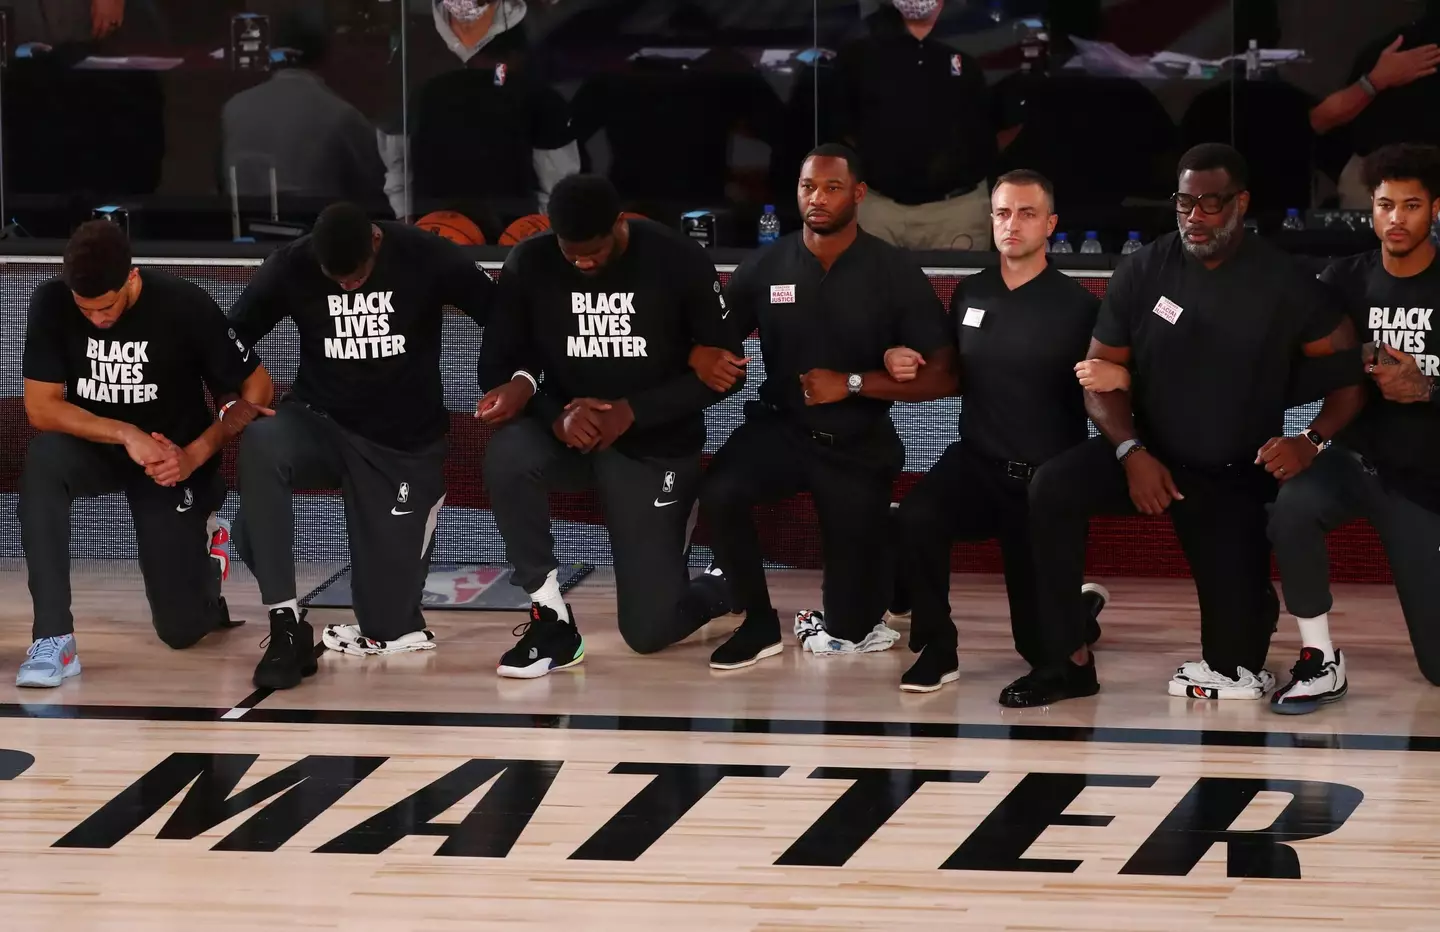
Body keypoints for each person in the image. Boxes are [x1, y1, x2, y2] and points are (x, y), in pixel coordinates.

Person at [1011, 143, 1366, 709]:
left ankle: (1250, 608)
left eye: (1210, 204)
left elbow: (1350, 381)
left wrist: (1312, 440)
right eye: (1184, 203)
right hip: (1148, 458)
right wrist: (1129, 451)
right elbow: (1100, 379)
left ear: (1240, 203)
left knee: (1235, 670)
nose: (1194, 217)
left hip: (1232, 476)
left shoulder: (1288, 283)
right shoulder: (1144, 268)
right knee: (1052, 486)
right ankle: (1067, 660)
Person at [695, 143, 952, 670]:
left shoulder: (892, 270)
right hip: (782, 431)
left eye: (833, 187)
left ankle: (887, 550)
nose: (818, 197)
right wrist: (701, 352)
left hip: (856, 443)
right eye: (808, 186)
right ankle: (759, 624)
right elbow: (716, 337)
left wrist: (855, 382)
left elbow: (944, 374)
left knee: (851, 628)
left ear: (858, 194)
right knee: (720, 491)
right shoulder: (767, 263)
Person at [475, 173, 742, 677]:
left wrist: (631, 411)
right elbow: (498, 365)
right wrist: (554, 415)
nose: (584, 262)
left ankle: (722, 583)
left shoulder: (678, 259)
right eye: (571, 252)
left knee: (648, 634)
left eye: (594, 251)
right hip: (570, 436)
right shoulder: (529, 261)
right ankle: (550, 616)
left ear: (621, 224)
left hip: (654, 446)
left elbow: (726, 377)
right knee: (508, 454)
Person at [228, 201, 494, 689]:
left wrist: (508, 380)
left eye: (355, 276)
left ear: (376, 241)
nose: (347, 286)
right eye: (336, 278)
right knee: (262, 440)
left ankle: (386, 612)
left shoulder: (428, 254)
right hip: (318, 424)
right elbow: (229, 337)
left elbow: (502, 316)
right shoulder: (290, 264)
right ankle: (286, 626)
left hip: (403, 445)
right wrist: (232, 399)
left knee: (389, 627)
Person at [18, 220, 273, 687]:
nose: (97, 319)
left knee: (181, 632)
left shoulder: (184, 303)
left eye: (107, 307)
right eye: (86, 309)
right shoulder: (51, 302)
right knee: (42, 463)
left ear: (131, 279)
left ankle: (208, 549)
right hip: (100, 447)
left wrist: (195, 456)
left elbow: (257, 388)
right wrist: (126, 433)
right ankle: (53, 639)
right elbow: (41, 407)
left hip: (172, 461)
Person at [889, 170, 1116, 692]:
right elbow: (946, 371)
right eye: (1002, 213)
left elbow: (1113, 385)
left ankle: (1076, 619)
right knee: (916, 517)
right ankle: (937, 647)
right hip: (978, 464)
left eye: (1027, 213)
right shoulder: (969, 293)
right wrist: (895, 357)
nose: (1012, 224)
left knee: (1037, 648)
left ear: (1051, 225)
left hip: (1045, 483)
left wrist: (1118, 376)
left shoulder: (1080, 306)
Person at [1268, 143, 1440, 713]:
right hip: (1354, 462)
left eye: (1411, 205)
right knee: (1291, 505)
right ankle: (1320, 660)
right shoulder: (1342, 280)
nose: (1396, 219)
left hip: (1425, 480)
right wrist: (1352, 360)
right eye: (1386, 205)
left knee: (1437, 669)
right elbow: (1298, 363)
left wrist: (1427, 388)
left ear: (1435, 209)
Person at [833, 0, 995, 251]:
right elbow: (842, 127)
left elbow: (994, 127)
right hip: (878, 208)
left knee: (956, 291)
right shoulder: (860, 52)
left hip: (956, 211)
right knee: (869, 289)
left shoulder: (973, 37)